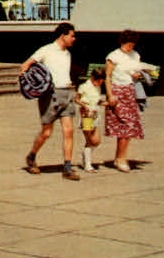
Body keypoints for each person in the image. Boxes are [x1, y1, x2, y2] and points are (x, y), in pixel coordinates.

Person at [19, 22, 81, 180]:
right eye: (72, 36)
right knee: (46, 133)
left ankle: (67, 167)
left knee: (69, 131)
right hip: (51, 95)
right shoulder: (46, 50)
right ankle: (31, 157)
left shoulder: (67, 53)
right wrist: (34, 84)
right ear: (63, 35)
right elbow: (25, 65)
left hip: (67, 93)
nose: (74, 39)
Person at [104, 29, 145, 172]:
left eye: (132, 44)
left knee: (129, 126)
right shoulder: (113, 56)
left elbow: (132, 73)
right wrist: (110, 95)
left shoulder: (135, 55)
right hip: (116, 91)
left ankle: (120, 157)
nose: (130, 47)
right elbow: (108, 77)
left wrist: (137, 74)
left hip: (129, 91)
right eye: (128, 44)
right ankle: (121, 159)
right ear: (122, 42)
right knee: (124, 125)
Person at [74, 67, 106, 172]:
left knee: (96, 141)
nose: (99, 84)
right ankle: (88, 165)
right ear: (93, 78)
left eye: (101, 82)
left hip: (95, 114)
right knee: (89, 141)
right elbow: (76, 99)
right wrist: (84, 106)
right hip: (87, 116)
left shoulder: (98, 88)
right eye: (98, 81)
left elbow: (97, 101)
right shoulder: (84, 87)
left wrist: (107, 103)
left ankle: (85, 154)